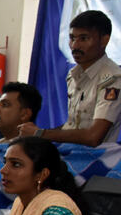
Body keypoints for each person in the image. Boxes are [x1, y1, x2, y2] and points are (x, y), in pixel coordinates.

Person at [18, 10, 121, 146]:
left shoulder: (112, 79)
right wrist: (37, 134)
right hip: (71, 152)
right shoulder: (73, 75)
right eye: (72, 38)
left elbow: (94, 136)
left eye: (84, 38)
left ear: (104, 40)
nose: (75, 46)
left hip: (96, 157)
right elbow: (72, 127)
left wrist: (40, 134)